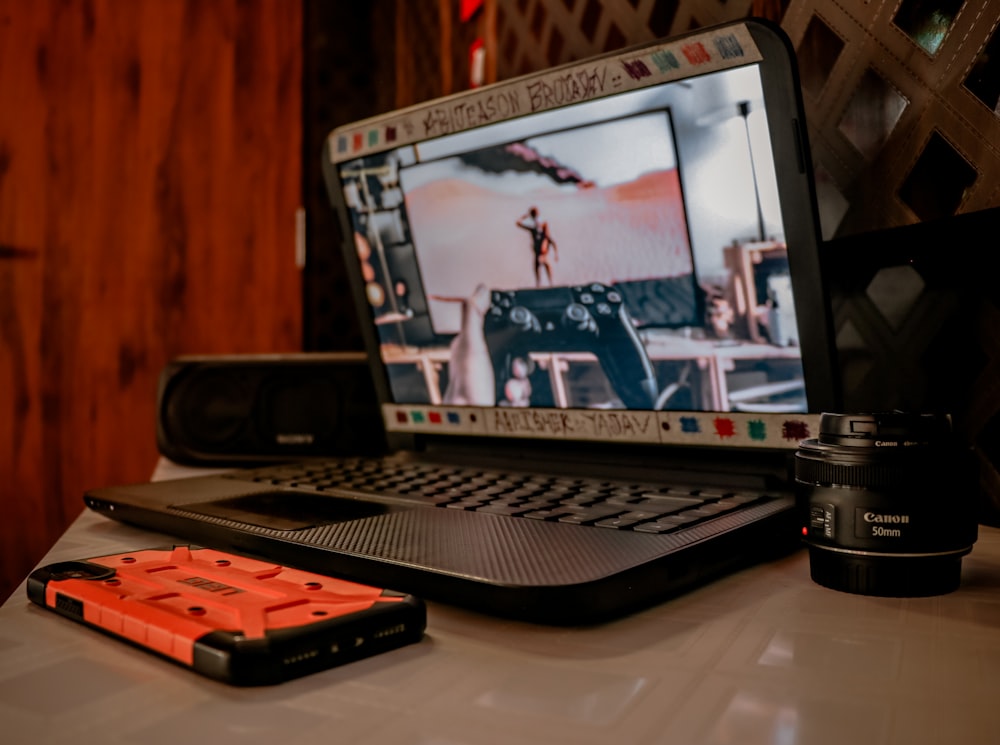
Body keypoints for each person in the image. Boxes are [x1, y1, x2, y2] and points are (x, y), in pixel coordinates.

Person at [516, 207, 558, 287]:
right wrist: (525, 216)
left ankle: (550, 284)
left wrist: (556, 254)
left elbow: (551, 241)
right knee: (538, 270)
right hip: (538, 253)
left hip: (543, 253)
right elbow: (518, 223)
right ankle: (540, 285)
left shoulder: (544, 230)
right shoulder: (534, 229)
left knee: (545, 267)